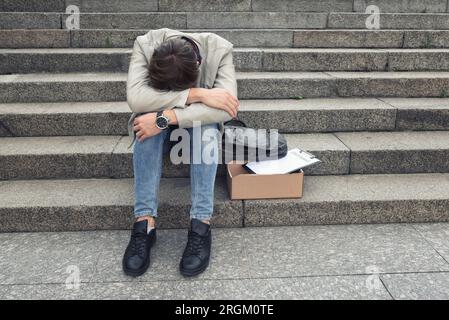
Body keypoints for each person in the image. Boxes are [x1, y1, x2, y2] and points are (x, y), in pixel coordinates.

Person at [122, 28, 239, 277]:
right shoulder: (145, 44)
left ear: (198, 65)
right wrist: (197, 94)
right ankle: (144, 223)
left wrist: (166, 116)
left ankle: (201, 224)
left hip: (197, 126)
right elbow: (136, 98)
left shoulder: (220, 49)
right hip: (159, 128)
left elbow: (227, 109)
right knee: (144, 126)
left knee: (207, 132)